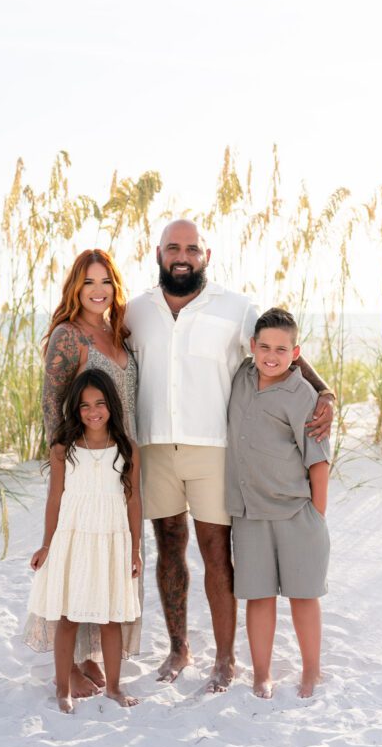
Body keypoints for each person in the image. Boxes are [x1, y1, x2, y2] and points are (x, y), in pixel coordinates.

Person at [126, 219, 334, 691]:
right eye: (173, 248)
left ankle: (226, 658)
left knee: (217, 551)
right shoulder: (134, 311)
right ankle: (179, 649)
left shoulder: (237, 308)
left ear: (207, 255)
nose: (183, 256)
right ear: (158, 253)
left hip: (214, 450)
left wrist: (326, 393)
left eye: (192, 249)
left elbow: (280, 352)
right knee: (168, 549)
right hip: (156, 447)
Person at [24, 249, 141, 700]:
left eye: (106, 281)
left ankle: (92, 656)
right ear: (76, 287)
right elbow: (53, 402)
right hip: (84, 463)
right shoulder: (68, 336)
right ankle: (69, 666)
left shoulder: (118, 334)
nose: (98, 290)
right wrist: (70, 459)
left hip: (121, 460)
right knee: (76, 565)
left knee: (109, 567)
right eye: (89, 282)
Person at [226, 308, 330, 699]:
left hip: (295, 514)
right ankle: (261, 674)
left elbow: (318, 461)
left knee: (304, 596)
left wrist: (316, 515)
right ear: (251, 347)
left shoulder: (303, 395)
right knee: (259, 596)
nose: (271, 355)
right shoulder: (241, 378)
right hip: (250, 513)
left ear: (296, 352)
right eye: (264, 347)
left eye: (281, 349)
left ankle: (311, 672)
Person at [26, 369, 143, 713]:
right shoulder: (64, 449)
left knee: (110, 618)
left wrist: (134, 549)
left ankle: (115, 687)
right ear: (75, 411)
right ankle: (62, 688)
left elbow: (133, 501)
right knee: (68, 616)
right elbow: (55, 499)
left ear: (112, 406)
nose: (93, 412)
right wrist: (47, 544)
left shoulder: (126, 449)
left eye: (100, 404)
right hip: (73, 538)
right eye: (84, 406)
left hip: (111, 539)